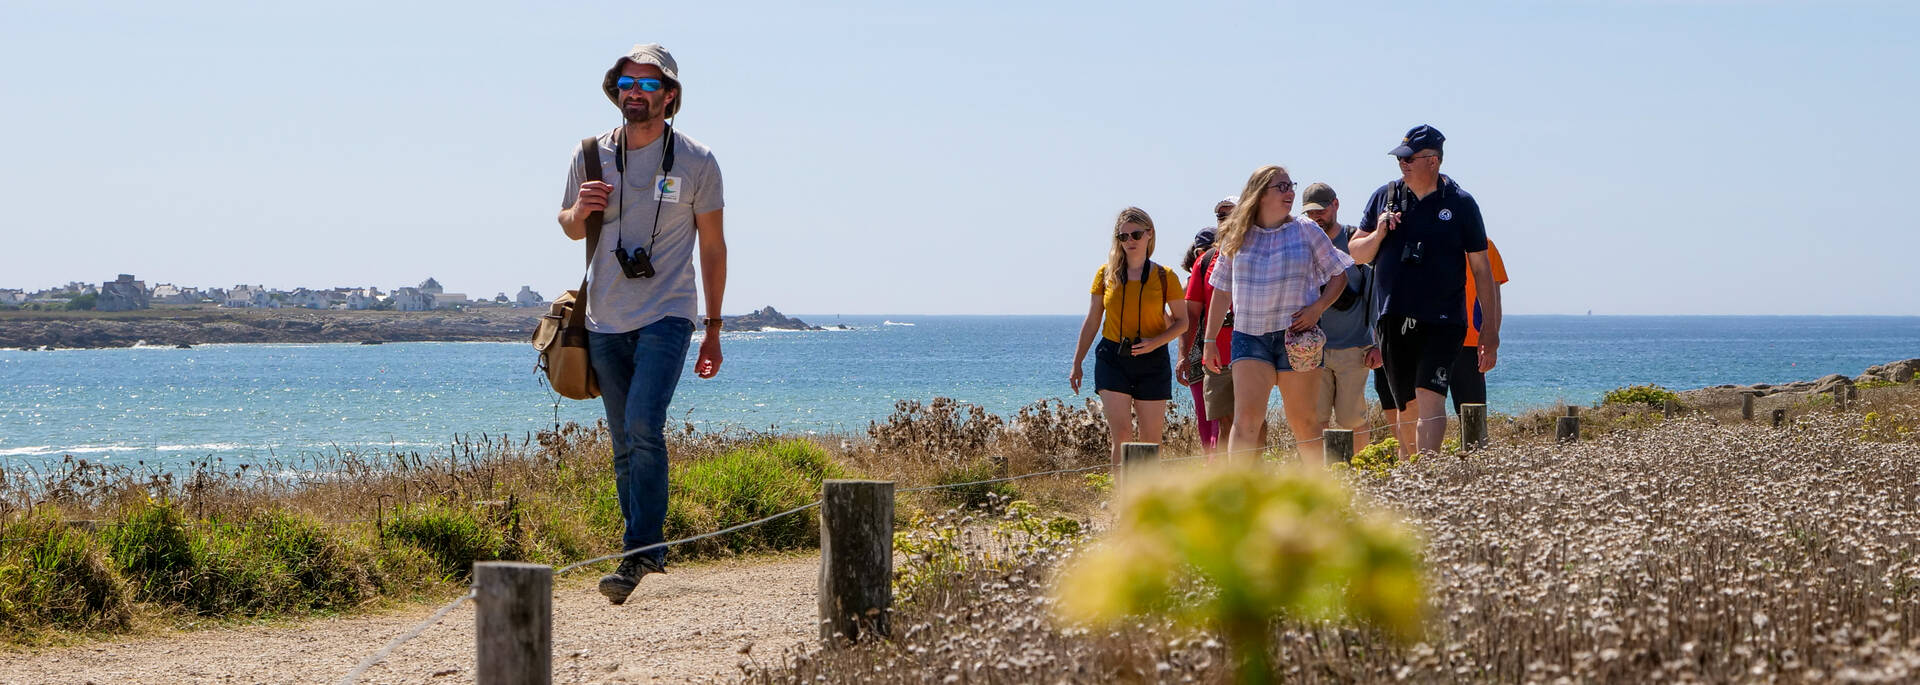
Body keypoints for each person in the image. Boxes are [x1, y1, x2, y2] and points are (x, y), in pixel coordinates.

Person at [557, 44, 727, 605]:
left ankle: (639, 552)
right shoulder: (589, 155)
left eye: (649, 85)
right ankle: (644, 550)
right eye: (627, 83)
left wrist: (714, 328)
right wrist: (580, 211)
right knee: (623, 439)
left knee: (643, 426)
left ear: (670, 96)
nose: (636, 92)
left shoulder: (697, 161)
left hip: (668, 314)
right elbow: (570, 229)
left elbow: (713, 246)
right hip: (605, 317)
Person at [1350, 125, 1501, 455]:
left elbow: (1482, 270)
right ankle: (1412, 473)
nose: (1402, 164)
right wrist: (1378, 233)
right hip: (1393, 317)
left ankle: (1429, 473)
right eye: (1399, 159)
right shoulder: (1384, 197)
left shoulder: (1461, 204)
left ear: (1433, 161)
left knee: (1430, 397)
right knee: (1408, 407)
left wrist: (1489, 330)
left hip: (1444, 318)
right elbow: (1356, 253)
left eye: (1409, 158)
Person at [1201, 166, 1353, 466]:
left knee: (1305, 424)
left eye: (1290, 185)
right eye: (1282, 187)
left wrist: (1317, 308)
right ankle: (1238, 501)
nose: (1290, 193)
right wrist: (1209, 340)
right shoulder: (1237, 236)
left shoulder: (1306, 229)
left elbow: (1339, 275)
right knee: (1246, 423)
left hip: (1298, 339)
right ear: (1259, 194)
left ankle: (1318, 499)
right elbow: (1221, 291)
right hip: (1250, 337)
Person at [1071, 207, 1189, 474]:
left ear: (1149, 234)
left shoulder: (1165, 276)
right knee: (1122, 435)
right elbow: (1092, 321)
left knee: (1150, 441)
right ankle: (1121, 501)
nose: (1130, 241)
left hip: (1153, 359)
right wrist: (1077, 363)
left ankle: (1145, 504)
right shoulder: (1105, 274)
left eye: (1136, 234)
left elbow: (1183, 322)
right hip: (1113, 357)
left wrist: (1154, 342)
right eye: (1123, 236)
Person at [1299, 183, 1374, 453]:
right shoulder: (1302, 243)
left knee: (1352, 419)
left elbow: (1373, 294)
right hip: (1313, 349)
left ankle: (1360, 472)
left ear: (1335, 205)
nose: (1316, 217)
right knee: (1314, 420)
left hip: (1353, 347)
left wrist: (1376, 343)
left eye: (1321, 210)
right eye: (1310, 213)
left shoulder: (1355, 241)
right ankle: (1322, 479)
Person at [1177, 197, 1238, 457]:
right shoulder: (1206, 262)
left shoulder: (1261, 251)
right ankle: (1223, 480)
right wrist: (1183, 356)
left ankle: (1252, 480)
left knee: (1249, 421)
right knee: (1223, 422)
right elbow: (1190, 315)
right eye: (1220, 216)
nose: (1225, 221)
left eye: (1230, 214)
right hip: (1215, 355)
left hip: (1253, 351)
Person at [1450, 238, 1509, 414]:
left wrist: (1491, 344)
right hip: (1431, 339)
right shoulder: (1431, 238)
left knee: (1472, 413)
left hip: (1471, 342)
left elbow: (1495, 299)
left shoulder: (1485, 244)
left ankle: (1473, 444)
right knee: (1426, 410)